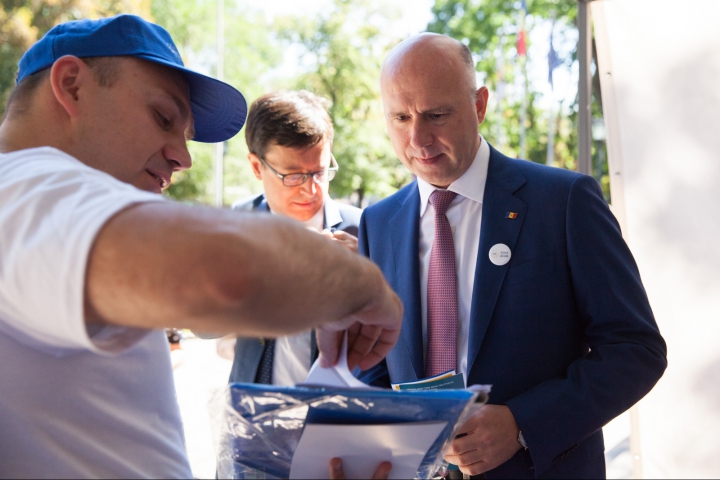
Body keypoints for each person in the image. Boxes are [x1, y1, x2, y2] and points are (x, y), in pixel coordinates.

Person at [0, 15, 402, 478]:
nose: (183, 158)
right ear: (71, 86)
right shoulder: (29, 188)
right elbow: (226, 277)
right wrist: (367, 287)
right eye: (163, 118)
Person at [356, 33, 667, 478]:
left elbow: (636, 349)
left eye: (436, 114)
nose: (417, 138)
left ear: (479, 105)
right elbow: (375, 365)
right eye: (400, 117)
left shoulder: (563, 201)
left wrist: (523, 423)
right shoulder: (377, 222)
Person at [228, 90, 362, 386]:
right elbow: (203, 330)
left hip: (335, 418)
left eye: (320, 172)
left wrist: (367, 278)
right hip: (251, 412)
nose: (310, 189)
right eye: (292, 175)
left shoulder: (364, 231)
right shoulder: (236, 223)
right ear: (255, 166)